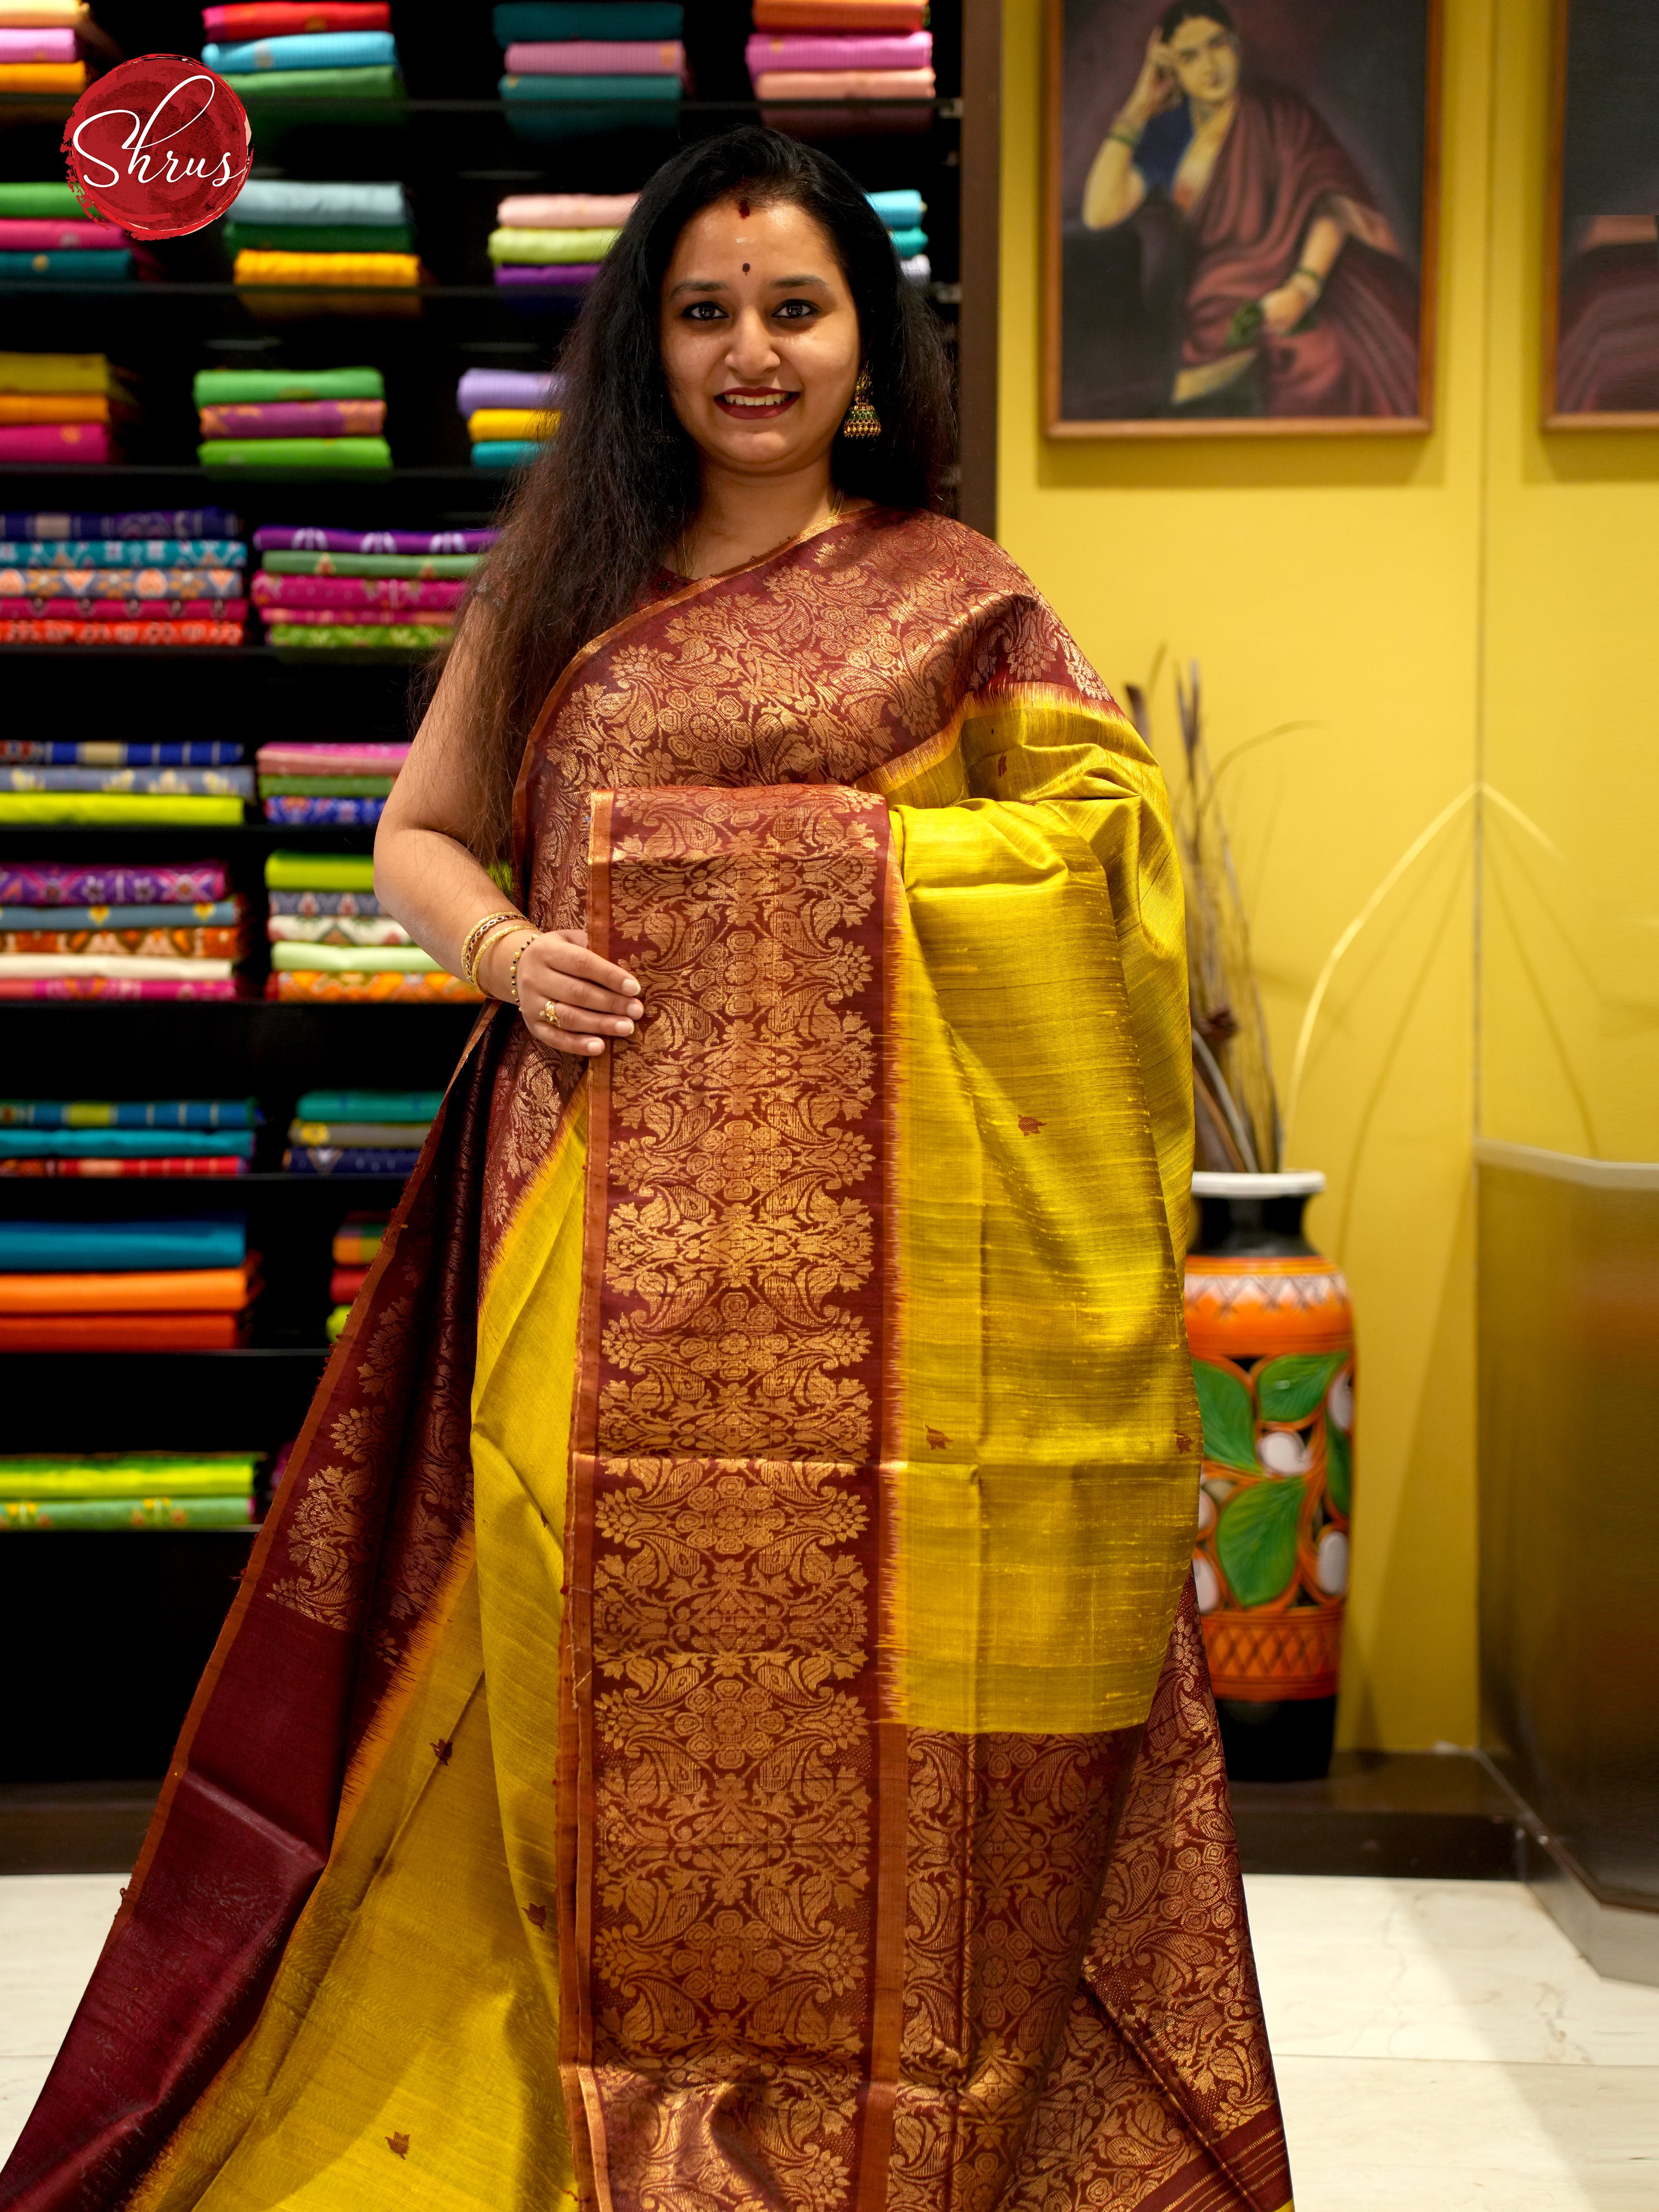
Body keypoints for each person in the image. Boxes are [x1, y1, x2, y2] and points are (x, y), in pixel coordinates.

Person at [2, 129, 1292, 2212]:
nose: (749, 352)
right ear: (645, 344)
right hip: (590, 1260)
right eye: (703, 312)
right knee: (566, 1719)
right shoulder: (571, 578)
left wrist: (745, 872)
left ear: (866, 341)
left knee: (852, 1755)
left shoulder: (956, 601)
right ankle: (558, 2140)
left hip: (902, 1331)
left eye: (792, 307)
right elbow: (410, 837)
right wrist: (508, 948)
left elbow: (1101, 869)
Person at [1082, 2, 1420, 417]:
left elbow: (1331, 204)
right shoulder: (1169, 134)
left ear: (1236, 47)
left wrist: (1302, 288)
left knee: (1324, 362)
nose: (1210, 66)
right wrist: (1138, 105)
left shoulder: (1282, 116)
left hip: (1300, 293)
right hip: (1215, 315)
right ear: (1171, 70)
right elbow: (1099, 213)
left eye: (1217, 45)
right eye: (1189, 57)